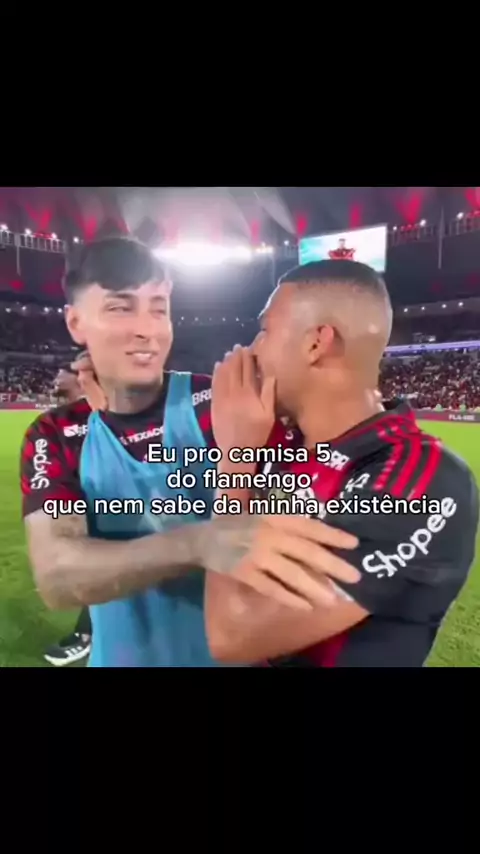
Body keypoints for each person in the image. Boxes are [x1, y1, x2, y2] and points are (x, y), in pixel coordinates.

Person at [20, 237, 361, 667]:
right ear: (76, 322)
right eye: (120, 308)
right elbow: (58, 577)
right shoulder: (57, 434)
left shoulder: (222, 403)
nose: (146, 328)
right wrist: (198, 543)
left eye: (158, 308)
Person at [204, 259, 479, 667]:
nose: (251, 349)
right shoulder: (282, 442)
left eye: (264, 330)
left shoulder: (423, 481)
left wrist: (235, 462)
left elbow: (234, 635)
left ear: (317, 343)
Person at [43, 363, 93, 666]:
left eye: (61, 373)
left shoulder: (103, 412)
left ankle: (86, 636)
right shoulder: (61, 420)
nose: (55, 379)